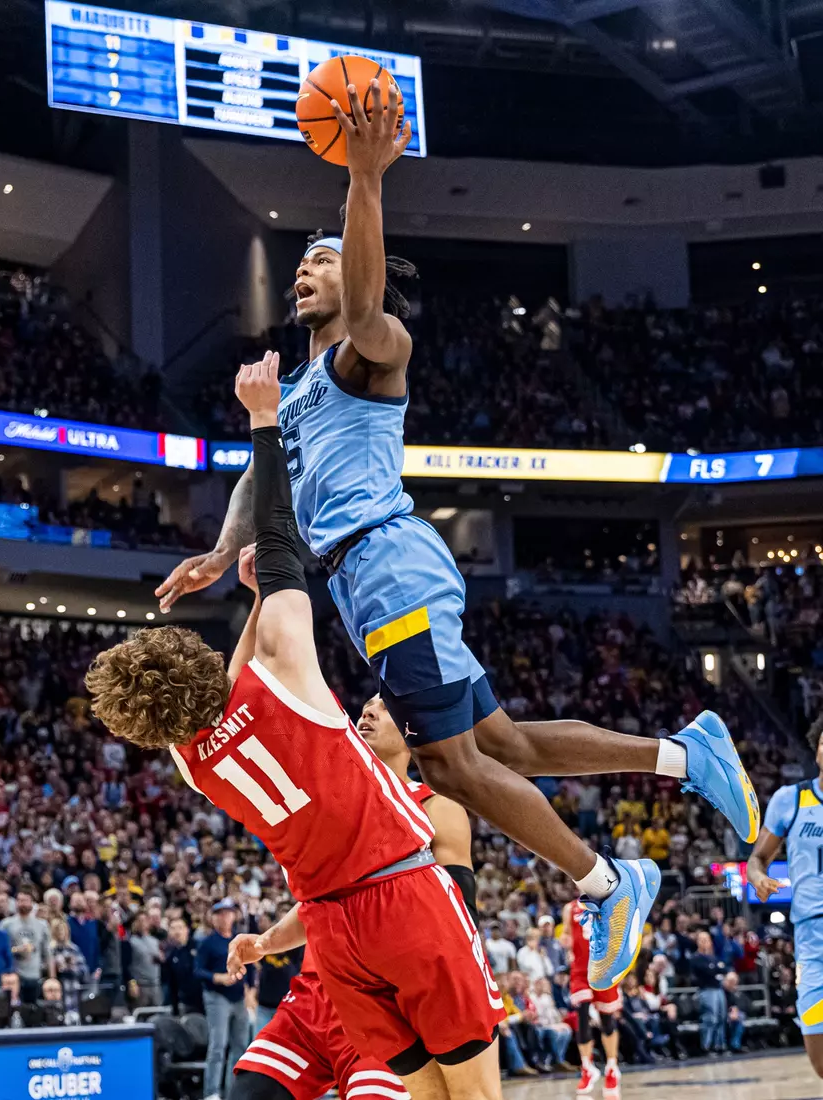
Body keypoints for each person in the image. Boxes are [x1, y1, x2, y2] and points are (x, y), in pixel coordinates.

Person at [157, 80, 758, 993]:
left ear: (355, 271)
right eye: (302, 266)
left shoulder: (373, 353)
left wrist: (365, 182)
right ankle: (687, 753)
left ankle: (607, 883)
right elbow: (258, 476)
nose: (303, 274)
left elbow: (366, 308)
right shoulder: (297, 389)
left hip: (386, 564)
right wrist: (218, 548)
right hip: (364, 582)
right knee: (505, 748)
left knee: (446, 765)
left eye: (320, 262)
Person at [86, 359, 506, 1100]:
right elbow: (280, 539)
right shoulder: (284, 677)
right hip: (401, 892)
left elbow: (227, 691)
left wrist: (256, 602)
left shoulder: (192, 764)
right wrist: (262, 420)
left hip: (333, 934)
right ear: (192, 655)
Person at [232, 691, 480, 1100]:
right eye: (366, 706)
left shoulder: (435, 806)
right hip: (315, 995)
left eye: (384, 707)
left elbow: (460, 915)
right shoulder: (327, 802)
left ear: (413, 733)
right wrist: (267, 942)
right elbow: (321, 901)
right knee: (247, 1093)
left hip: (386, 999)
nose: (369, 711)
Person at [748, 717, 823, 1078]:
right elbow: (757, 859)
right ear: (816, 748)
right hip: (811, 937)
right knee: (820, 1059)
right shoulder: (791, 799)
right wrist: (759, 878)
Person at [193, 899, 256, 1100]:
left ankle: (233, 1092)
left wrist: (250, 990)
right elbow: (197, 970)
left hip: (239, 997)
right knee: (218, 1045)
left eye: (228, 913)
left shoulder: (239, 940)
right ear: (213, 918)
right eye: (220, 914)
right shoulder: (208, 942)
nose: (224, 917)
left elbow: (250, 966)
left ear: (234, 916)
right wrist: (216, 977)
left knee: (241, 1046)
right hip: (217, 996)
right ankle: (211, 1092)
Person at [563, 897, 621, 1096]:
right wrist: (566, 943)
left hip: (603, 968)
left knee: (607, 1020)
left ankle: (612, 1067)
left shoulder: (608, 902)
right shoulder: (570, 908)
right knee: (582, 1014)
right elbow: (566, 935)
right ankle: (587, 1067)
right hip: (580, 970)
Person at [0, 886, 52, 1003]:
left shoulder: (42, 925)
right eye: (19, 900)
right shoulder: (6, 924)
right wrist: (16, 950)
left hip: (35, 975)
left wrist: (52, 978)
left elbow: (48, 953)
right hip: (14, 976)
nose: (22, 903)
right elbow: (0, 951)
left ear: (32, 903)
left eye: (25, 900)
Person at [690, 931, 727, 1054]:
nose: (705, 942)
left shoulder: (713, 958)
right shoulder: (696, 958)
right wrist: (716, 969)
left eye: (707, 939)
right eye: (702, 940)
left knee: (721, 1017)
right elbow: (707, 972)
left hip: (718, 989)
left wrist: (715, 969)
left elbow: (723, 969)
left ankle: (719, 1045)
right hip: (706, 990)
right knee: (710, 1018)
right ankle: (706, 1046)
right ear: (698, 942)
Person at [161, 915, 203, 1015]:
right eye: (173, 928)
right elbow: (172, 984)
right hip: (186, 1002)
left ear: (187, 929)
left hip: (204, 1000)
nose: (177, 932)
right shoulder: (171, 955)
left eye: (180, 927)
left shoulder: (199, 947)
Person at [722, 971, 749, 1054]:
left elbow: (735, 1005)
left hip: (732, 1014)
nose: (734, 985)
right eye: (732, 982)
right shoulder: (720, 992)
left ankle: (735, 1045)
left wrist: (735, 1011)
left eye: (735, 982)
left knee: (740, 1017)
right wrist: (730, 1013)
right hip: (722, 1014)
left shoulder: (733, 992)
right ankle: (724, 1046)